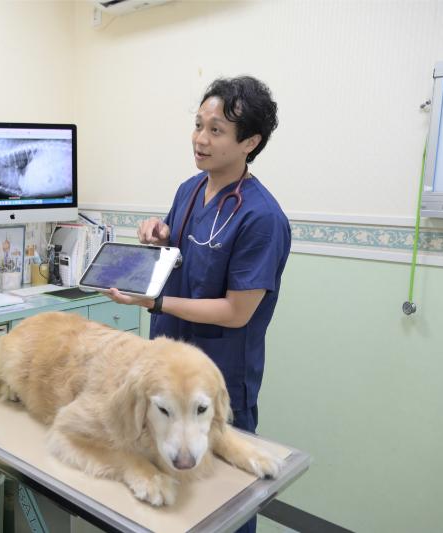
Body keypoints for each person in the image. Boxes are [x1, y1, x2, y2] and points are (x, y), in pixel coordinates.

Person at [106, 76, 289, 533]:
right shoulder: (190, 189)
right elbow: (179, 252)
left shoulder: (262, 218)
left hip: (218, 380)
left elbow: (236, 312)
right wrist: (159, 234)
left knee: (221, 502)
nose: (200, 140)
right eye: (198, 125)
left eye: (216, 131)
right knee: (170, 494)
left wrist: (156, 301)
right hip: (168, 372)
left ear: (250, 142)